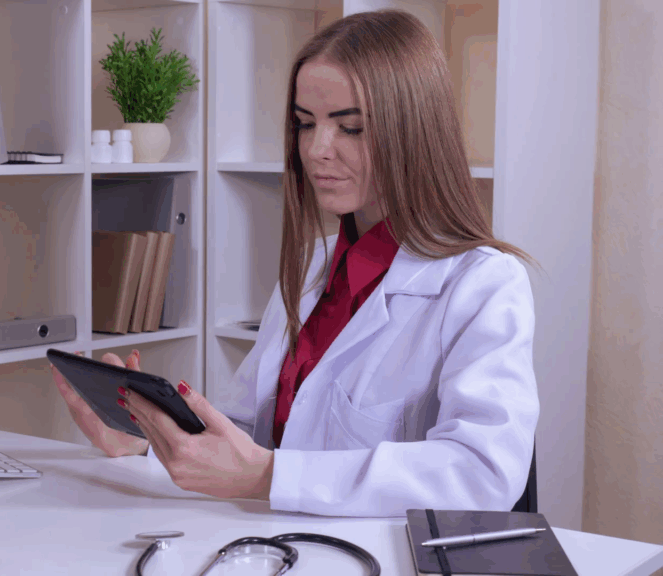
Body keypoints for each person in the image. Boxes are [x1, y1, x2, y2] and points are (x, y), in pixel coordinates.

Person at [51, 9, 541, 517]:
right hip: (280, 544)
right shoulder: (316, 265)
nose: (315, 149)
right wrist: (146, 442)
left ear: (413, 131)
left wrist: (269, 475)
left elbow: (484, 473)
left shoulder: (483, 283)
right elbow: (245, 435)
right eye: (305, 124)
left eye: (349, 127)